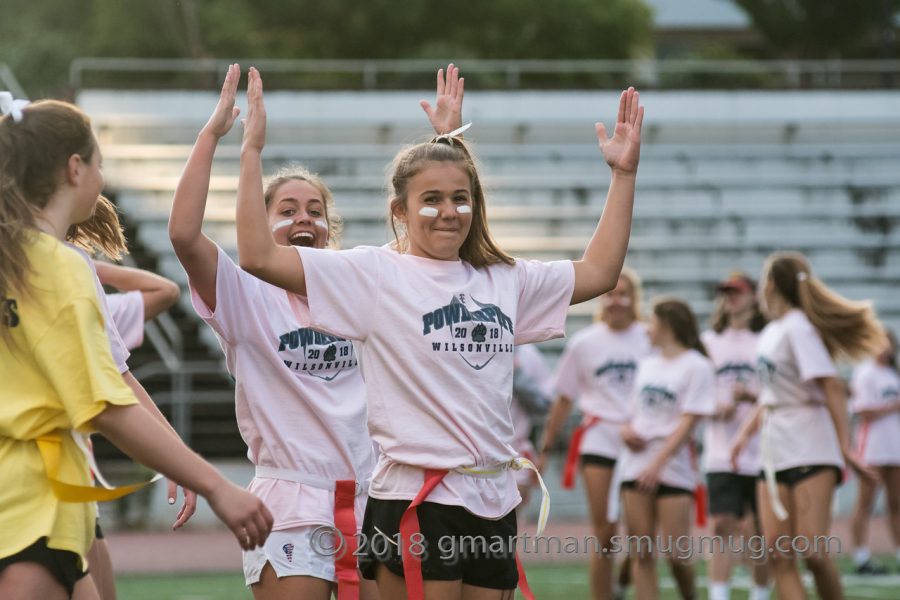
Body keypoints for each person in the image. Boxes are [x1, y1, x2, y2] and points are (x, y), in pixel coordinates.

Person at [234, 65, 643, 600]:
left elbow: (598, 273)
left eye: (460, 198)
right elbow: (258, 256)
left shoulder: (505, 278)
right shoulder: (374, 274)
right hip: (415, 498)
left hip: (493, 498)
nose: (448, 212)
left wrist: (623, 176)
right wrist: (249, 152)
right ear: (399, 211)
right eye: (431, 200)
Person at [0, 97, 272, 600]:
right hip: (29, 510)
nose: (101, 178)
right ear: (74, 168)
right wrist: (216, 485)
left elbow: (110, 379)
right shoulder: (57, 267)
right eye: (99, 164)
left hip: (43, 511)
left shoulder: (26, 262)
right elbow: (105, 402)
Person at [731, 251, 883, 600]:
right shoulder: (772, 331)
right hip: (774, 449)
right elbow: (769, 396)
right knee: (778, 555)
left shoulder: (799, 327)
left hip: (810, 445)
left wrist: (846, 447)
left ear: (770, 284)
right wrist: (743, 435)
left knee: (813, 551)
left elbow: (830, 385)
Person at [539, 268, 649, 599]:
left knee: (641, 533)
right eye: (611, 294)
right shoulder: (585, 342)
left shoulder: (650, 336)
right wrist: (545, 446)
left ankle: (627, 577)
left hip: (641, 442)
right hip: (599, 438)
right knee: (604, 532)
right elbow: (564, 398)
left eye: (624, 294)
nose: (616, 301)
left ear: (634, 299)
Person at [617, 298, 715, 600]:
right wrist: (625, 432)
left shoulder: (697, 366)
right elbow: (631, 414)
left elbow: (687, 425)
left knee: (677, 554)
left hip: (672, 465)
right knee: (642, 552)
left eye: (653, 322)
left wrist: (656, 465)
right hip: (635, 463)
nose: (647, 329)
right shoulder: (647, 364)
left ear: (668, 326)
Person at [701, 273, 770, 600]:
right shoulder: (709, 342)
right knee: (720, 525)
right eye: (726, 292)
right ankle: (719, 594)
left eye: (737, 292)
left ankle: (759, 593)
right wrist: (719, 407)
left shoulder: (767, 340)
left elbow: (778, 393)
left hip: (761, 450)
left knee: (758, 531)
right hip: (720, 448)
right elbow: (695, 395)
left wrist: (751, 397)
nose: (731, 298)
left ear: (754, 296)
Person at [850, 328, 900, 574]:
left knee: (896, 503)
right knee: (865, 503)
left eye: (888, 343)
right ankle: (861, 556)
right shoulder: (865, 373)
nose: (885, 348)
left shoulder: (894, 374)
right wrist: (893, 406)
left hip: (895, 448)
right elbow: (863, 411)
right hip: (872, 448)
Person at [96, 262, 180, 350]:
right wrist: (91, 266)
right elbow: (169, 291)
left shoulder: (102, 307)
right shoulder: (102, 308)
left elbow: (169, 291)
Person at [510, 344, 552, 516]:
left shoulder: (528, 353)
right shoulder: (465, 344)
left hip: (514, 450)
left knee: (507, 523)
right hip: (470, 451)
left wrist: (516, 374)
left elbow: (545, 404)